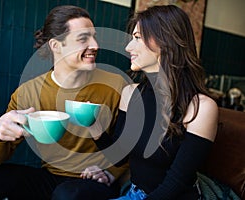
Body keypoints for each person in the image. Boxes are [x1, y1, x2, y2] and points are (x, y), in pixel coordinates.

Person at [0, 5, 129, 200]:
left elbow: (135, 142)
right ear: (55, 46)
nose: (95, 45)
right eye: (83, 39)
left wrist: (111, 172)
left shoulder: (116, 85)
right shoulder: (28, 92)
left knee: (67, 195)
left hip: (94, 181)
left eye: (94, 36)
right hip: (51, 178)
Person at [87, 5, 218, 200]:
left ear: (165, 41)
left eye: (137, 38)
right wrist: (94, 126)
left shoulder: (200, 108)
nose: (128, 47)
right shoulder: (130, 93)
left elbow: (175, 184)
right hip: (135, 194)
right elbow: (121, 155)